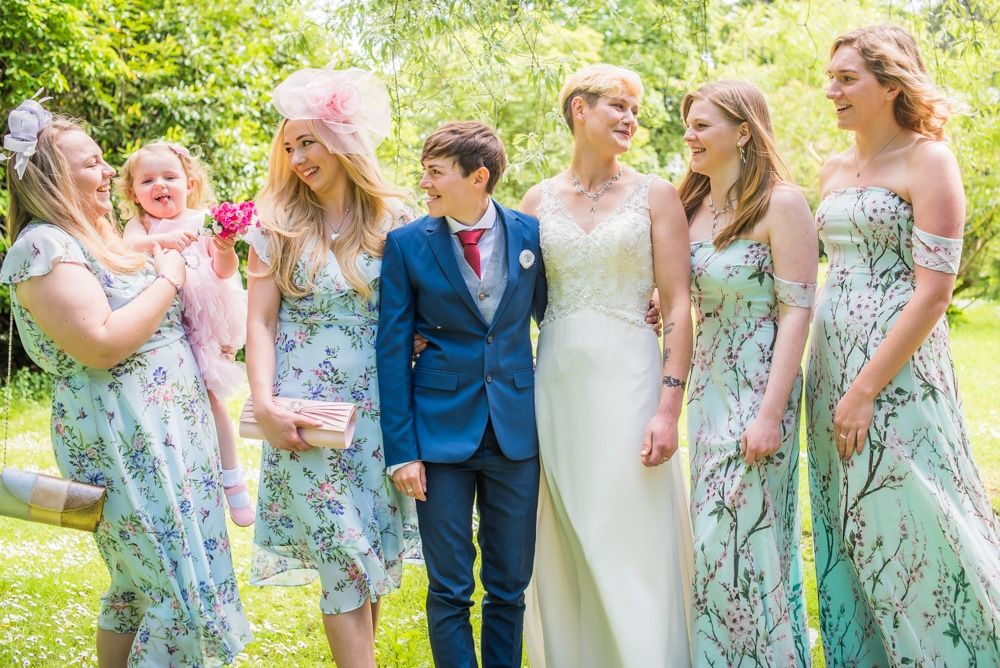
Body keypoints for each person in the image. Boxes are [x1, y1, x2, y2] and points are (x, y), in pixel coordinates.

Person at [0, 99, 251, 665]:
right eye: (93, 163)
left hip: (171, 429)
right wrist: (168, 278)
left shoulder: (94, 236)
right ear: (55, 178)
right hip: (125, 436)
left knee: (137, 589)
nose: (110, 170)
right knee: (171, 591)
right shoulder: (44, 246)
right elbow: (101, 342)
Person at [807, 25, 1000, 665]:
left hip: (896, 371)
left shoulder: (929, 160)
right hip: (830, 361)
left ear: (890, 85)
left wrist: (866, 388)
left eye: (847, 79)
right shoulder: (832, 168)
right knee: (849, 518)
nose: (832, 91)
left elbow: (935, 291)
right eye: (831, 77)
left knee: (916, 512)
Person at [520, 63, 694, 667]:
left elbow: (678, 304)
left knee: (628, 530)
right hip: (559, 383)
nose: (630, 119)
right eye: (619, 106)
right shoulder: (536, 201)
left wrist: (668, 409)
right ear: (579, 108)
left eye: (635, 111)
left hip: (633, 381)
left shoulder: (656, 195)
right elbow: (509, 301)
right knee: (573, 531)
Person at [243, 65, 417, 667]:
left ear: (343, 142)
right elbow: (260, 323)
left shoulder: (396, 221)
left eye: (307, 143)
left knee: (367, 551)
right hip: (303, 411)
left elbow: (424, 308)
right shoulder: (275, 226)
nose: (296, 159)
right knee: (342, 556)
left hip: (379, 411)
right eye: (288, 147)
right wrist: (265, 404)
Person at [376, 121, 547, 668]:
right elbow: (391, 351)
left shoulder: (531, 234)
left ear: (479, 177)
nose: (424, 183)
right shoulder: (407, 244)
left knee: (509, 585)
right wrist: (402, 451)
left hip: (516, 433)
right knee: (449, 586)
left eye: (435, 172)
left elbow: (559, 314)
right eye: (424, 171)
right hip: (438, 435)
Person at [678, 80, 816, 666]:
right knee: (714, 539)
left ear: (742, 132)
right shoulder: (690, 205)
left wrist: (770, 414)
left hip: (761, 386)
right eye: (688, 124)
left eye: (701, 125)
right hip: (706, 390)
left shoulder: (782, 204)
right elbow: (682, 292)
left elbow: (797, 310)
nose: (689, 135)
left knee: (742, 537)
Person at [117, 140, 252, 526]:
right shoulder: (140, 226)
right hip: (163, 328)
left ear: (189, 183)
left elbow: (225, 271)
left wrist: (224, 247)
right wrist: (161, 240)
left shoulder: (202, 220)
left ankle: (233, 481)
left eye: (169, 177)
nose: (159, 185)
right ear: (134, 193)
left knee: (212, 400)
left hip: (204, 323)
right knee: (173, 405)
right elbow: (127, 247)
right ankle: (184, 479)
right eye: (147, 181)